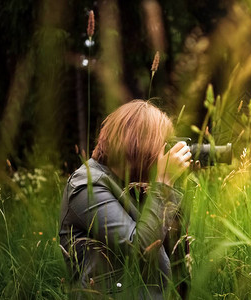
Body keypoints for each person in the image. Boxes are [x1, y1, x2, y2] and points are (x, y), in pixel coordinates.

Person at [59, 100, 193, 299]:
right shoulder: (87, 184)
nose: (164, 153)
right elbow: (140, 250)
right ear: (140, 143)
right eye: (162, 144)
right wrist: (163, 183)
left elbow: (177, 256)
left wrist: (173, 185)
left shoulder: (136, 182)